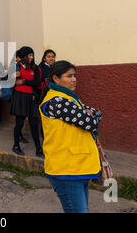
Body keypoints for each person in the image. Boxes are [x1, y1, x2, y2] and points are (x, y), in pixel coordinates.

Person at [39, 60, 102, 213]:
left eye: (75, 76)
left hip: (76, 168)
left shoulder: (70, 99)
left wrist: (90, 115)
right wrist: (89, 115)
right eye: (69, 76)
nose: (74, 79)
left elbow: (97, 112)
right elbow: (90, 123)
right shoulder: (57, 101)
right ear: (55, 78)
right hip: (66, 171)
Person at [10, 46, 43, 156]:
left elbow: (37, 82)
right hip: (19, 97)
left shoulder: (35, 68)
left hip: (31, 98)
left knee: (34, 124)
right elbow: (9, 81)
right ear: (24, 56)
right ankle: (16, 146)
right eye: (29, 55)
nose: (31, 57)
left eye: (32, 55)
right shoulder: (17, 67)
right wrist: (14, 78)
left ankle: (38, 148)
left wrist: (23, 81)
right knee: (19, 123)